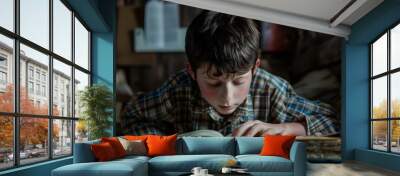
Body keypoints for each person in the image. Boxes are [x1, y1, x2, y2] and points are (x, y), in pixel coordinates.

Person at [121, 11, 339, 137]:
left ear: (254, 68)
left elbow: (333, 120)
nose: (227, 98)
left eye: (238, 81)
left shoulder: (271, 90)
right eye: (214, 83)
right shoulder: (178, 89)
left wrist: (287, 128)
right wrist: (162, 142)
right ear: (192, 71)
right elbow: (131, 114)